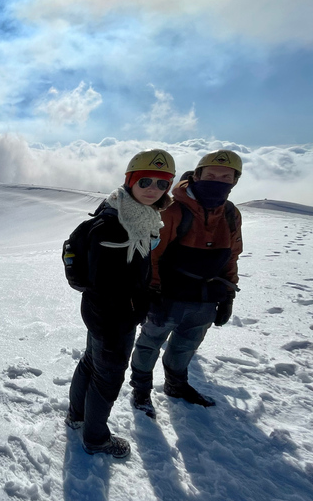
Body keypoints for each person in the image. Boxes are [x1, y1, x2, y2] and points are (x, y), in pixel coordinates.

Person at [66, 149, 175, 458]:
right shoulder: (116, 226)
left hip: (103, 315)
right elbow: (108, 285)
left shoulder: (131, 214)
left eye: (162, 183)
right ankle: (96, 438)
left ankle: (77, 416)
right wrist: (136, 307)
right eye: (146, 181)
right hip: (113, 318)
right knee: (108, 378)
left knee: (91, 362)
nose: (154, 189)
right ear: (130, 181)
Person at [129, 150, 243, 417]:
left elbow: (232, 254)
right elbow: (152, 253)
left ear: (235, 181)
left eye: (226, 176)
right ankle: (141, 390)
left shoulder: (230, 213)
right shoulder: (173, 209)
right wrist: (152, 290)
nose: (218, 181)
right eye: (211, 175)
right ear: (197, 175)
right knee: (149, 343)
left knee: (186, 345)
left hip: (205, 297)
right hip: (167, 294)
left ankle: (176, 385)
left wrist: (228, 293)